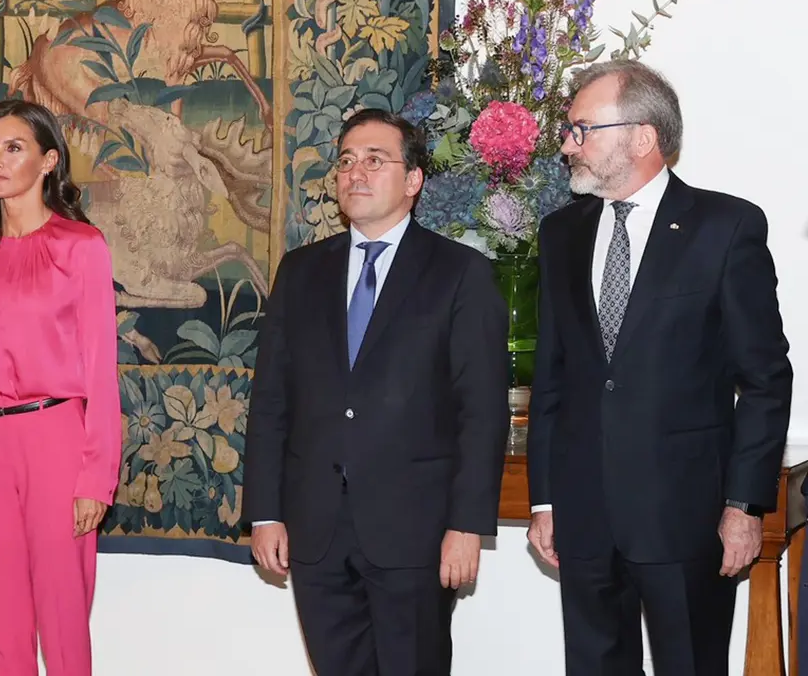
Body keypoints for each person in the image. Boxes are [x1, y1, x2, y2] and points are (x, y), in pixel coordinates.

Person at [527, 59, 792, 675]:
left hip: (686, 519)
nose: (568, 144)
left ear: (642, 137)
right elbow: (553, 376)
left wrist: (745, 506)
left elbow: (764, 379)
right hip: (584, 515)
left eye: (581, 129)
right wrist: (545, 501)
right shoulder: (560, 233)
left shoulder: (725, 227)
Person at [243, 108, 510, 675]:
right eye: (345, 161)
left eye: (374, 160)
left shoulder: (461, 273)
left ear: (413, 181)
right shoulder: (300, 271)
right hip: (315, 531)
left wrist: (467, 525)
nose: (355, 173)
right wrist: (265, 511)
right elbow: (270, 403)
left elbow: (480, 412)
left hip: (415, 531)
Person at [0, 98, 121, 676]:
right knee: (3, 629)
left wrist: (96, 476)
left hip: (57, 441)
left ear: (48, 161)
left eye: (13, 147)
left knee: (64, 624)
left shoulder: (81, 247)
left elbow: (100, 375)